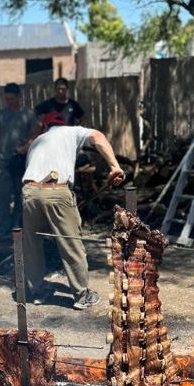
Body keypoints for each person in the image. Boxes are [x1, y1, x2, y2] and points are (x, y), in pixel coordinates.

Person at [22, 112, 125, 310]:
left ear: (45, 126)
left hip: (29, 192)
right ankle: (81, 295)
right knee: (71, 242)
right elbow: (98, 137)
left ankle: (37, 292)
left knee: (32, 244)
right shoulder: (72, 131)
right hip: (56, 190)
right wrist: (114, 166)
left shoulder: (36, 142)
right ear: (64, 124)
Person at [0, 83, 38, 229]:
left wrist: (26, 146)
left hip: (20, 160)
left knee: (20, 194)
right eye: (7, 99)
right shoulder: (1, 115)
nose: (9, 102)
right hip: (3, 160)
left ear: (19, 97)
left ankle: (18, 226)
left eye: (12, 99)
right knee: (3, 194)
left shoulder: (28, 115)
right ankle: (4, 225)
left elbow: (35, 135)